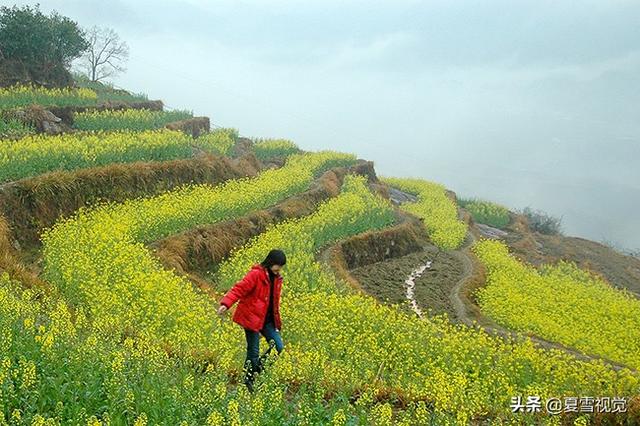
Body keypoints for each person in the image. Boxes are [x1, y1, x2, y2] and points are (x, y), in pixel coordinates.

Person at [217, 249, 286, 392]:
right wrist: (226, 304)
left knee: (278, 347)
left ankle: (256, 370)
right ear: (271, 262)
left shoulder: (277, 279)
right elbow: (238, 289)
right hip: (252, 318)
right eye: (278, 265)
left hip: (268, 321)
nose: (279, 268)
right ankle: (248, 380)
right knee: (253, 351)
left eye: (281, 266)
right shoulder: (256, 274)